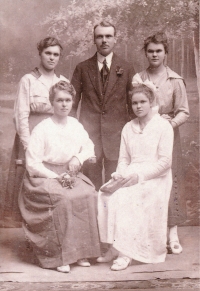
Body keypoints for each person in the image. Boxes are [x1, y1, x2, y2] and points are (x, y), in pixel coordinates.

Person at [19, 80, 101, 272]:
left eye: (68, 100)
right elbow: (33, 164)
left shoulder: (75, 124)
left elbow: (88, 146)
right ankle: (61, 256)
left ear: (72, 102)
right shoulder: (42, 128)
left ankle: (81, 253)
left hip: (69, 173)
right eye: (59, 100)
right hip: (42, 177)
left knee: (89, 195)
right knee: (63, 199)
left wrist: (77, 157)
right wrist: (55, 177)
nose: (64, 104)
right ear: (52, 103)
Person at [97, 82, 174, 271]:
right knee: (106, 194)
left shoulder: (163, 126)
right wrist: (120, 175)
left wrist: (138, 177)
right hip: (131, 173)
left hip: (156, 178)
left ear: (151, 102)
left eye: (142, 102)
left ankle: (127, 254)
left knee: (126, 197)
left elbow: (164, 163)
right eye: (134, 103)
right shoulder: (128, 127)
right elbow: (123, 159)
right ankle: (114, 246)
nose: (138, 107)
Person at [132, 32, 189, 254]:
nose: (154, 54)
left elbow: (184, 112)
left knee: (170, 183)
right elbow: (135, 107)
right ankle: (148, 233)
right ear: (145, 53)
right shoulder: (138, 79)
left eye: (159, 51)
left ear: (166, 53)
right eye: (150, 51)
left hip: (169, 137)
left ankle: (172, 235)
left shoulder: (175, 80)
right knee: (146, 181)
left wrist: (168, 126)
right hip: (144, 137)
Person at [5, 37, 69, 222]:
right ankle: (25, 221)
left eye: (56, 54)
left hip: (53, 136)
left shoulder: (62, 81)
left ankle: (48, 219)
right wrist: (27, 144)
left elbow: (65, 112)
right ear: (40, 54)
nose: (52, 58)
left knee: (49, 175)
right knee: (29, 174)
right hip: (31, 134)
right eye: (48, 53)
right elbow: (21, 115)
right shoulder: (28, 80)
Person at [71, 20, 135, 190]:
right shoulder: (82, 68)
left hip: (117, 138)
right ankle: (93, 217)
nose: (104, 40)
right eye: (100, 36)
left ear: (115, 39)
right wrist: (73, 134)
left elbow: (134, 106)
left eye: (108, 36)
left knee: (116, 186)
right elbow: (71, 105)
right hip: (89, 139)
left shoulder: (127, 68)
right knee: (90, 186)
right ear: (94, 40)